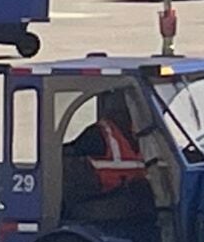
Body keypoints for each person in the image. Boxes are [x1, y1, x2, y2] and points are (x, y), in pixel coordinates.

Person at [63, 91, 153, 225]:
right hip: (106, 197)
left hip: (128, 198)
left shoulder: (146, 134)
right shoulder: (98, 134)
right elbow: (68, 154)